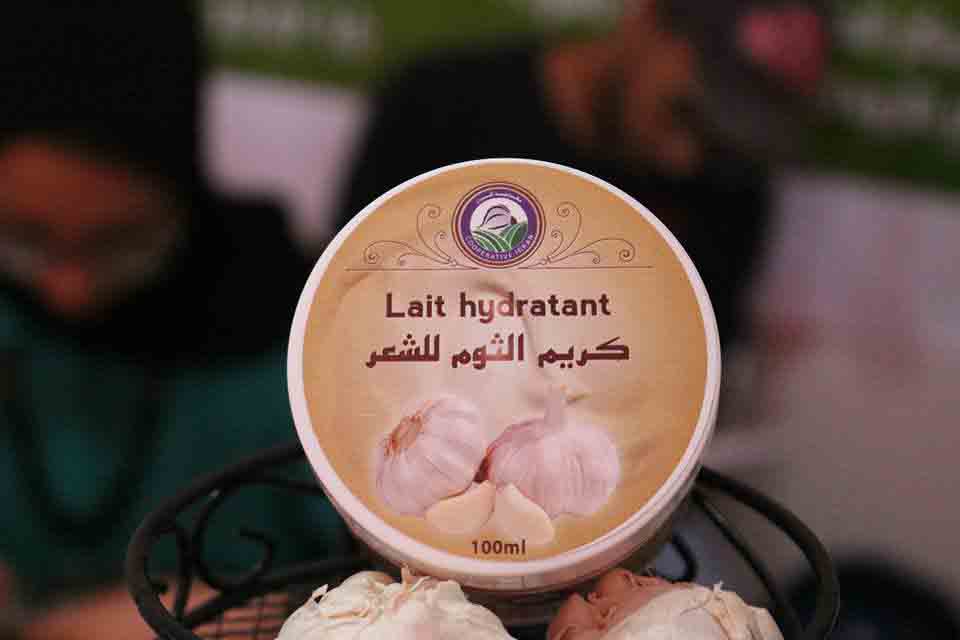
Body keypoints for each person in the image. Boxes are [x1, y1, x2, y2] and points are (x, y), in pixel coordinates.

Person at [0, 5, 349, 638]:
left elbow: (389, 581)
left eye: (119, 243)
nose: (68, 290)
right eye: (26, 238)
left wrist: (260, 615)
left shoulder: (296, 331)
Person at [336, 0, 828, 347]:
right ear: (646, 17)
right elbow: (346, 310)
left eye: (729, 140)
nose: (685, 160)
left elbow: (696, 364)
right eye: (684, 114)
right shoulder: (439, 108)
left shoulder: (733, 182)